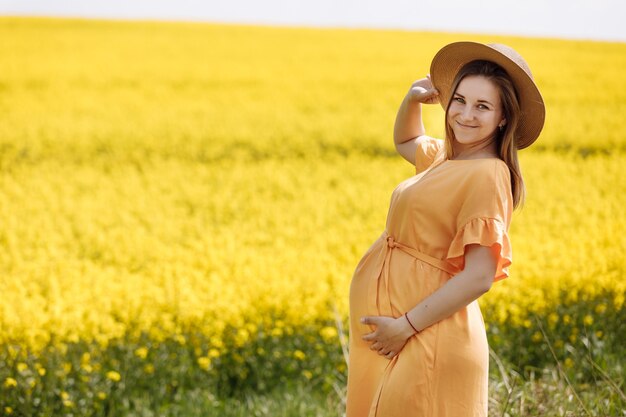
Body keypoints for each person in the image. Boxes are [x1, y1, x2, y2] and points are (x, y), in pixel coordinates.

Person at [345, 41, 545, 417]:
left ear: (503, 117)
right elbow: (405, 140)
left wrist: (403, 327)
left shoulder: (489, 173)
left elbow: (480, 276)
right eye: (460, 100)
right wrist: (413, 99)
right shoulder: (445, 159)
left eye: (482, 106)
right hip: (396, 338)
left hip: (424, 338)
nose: (466, 114)